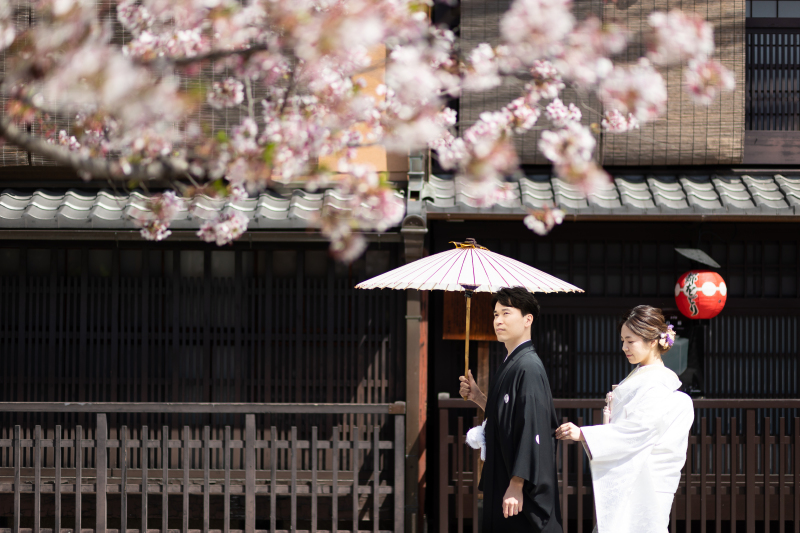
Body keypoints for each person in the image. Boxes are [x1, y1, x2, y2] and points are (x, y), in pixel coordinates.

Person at [555, 305, 695, 533]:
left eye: (630, 341)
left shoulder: (656, 385)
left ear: (652, 341)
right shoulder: (644, 377)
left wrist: (583, 434)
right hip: (633, 474)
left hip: (645, 480)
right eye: (622, 341)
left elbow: (638, 431)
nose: (624, 347)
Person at [459, 287, 563, 533]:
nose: (498, 320)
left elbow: (532, 428)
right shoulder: (512, 363)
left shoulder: (529, 367)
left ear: (528, 319)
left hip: (519, 487)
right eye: (495, 314)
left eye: (506, 313)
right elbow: (507, 418)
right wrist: (478, 397)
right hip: (504, 474)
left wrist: (517, 483)